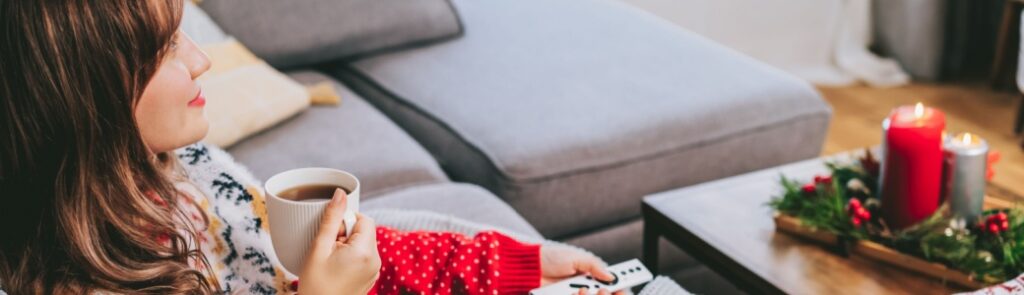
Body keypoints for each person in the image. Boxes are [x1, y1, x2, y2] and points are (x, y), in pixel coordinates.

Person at [0, 1, 621, 294]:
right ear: (85, 98)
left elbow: (341, 259)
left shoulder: (183, 176)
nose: (201, 59)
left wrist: (516, 264)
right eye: (164, 48)